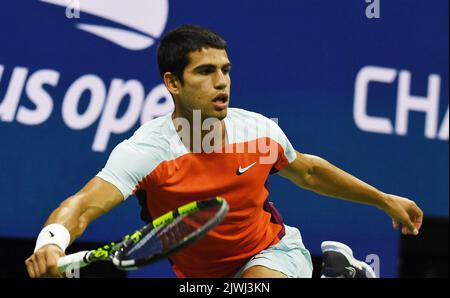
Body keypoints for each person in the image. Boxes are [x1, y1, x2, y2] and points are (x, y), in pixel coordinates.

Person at [25, 25, 423, 278]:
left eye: (226, 70)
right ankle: (337, 273)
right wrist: (50, 243)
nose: (222, 82)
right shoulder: (147, 151)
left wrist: (383, 200)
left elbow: (310, 173)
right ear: (173, 83)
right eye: (205, 71)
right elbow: (83, 206)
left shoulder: (258, 131)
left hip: (270, 251)